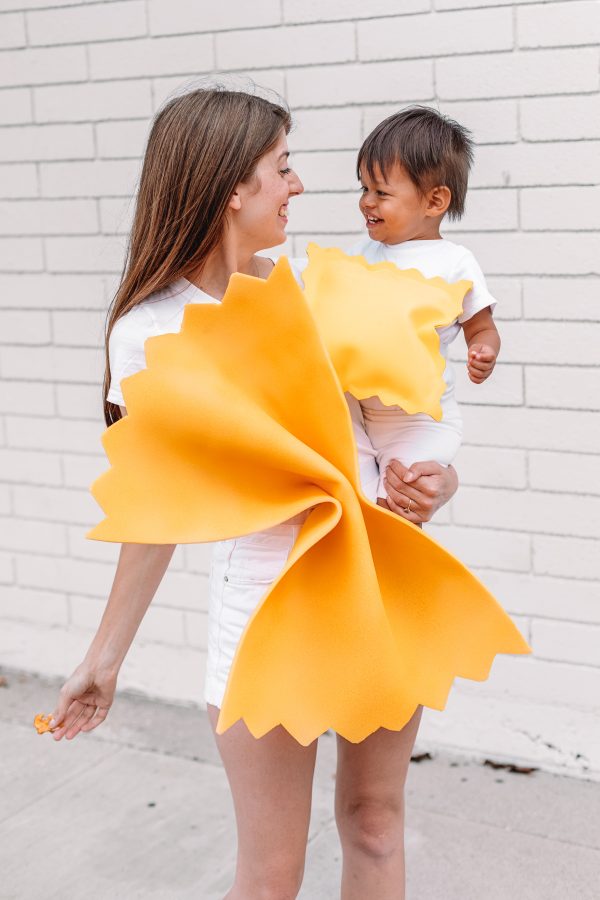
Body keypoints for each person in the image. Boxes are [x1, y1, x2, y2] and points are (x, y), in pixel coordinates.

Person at [48, 87, 460, 900]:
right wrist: (103, 659)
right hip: (268, 615)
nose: (298, 187)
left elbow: (392, 421)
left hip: (383, 591)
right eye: (283, 167)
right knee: (272, 874)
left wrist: (436, 480)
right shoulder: (151, 333)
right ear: (232, 185)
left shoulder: (314, 284)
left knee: (376, 824)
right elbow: (160, 507)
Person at [350, 106, 501, 508]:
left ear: (434, 201)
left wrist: (482, 352)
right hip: (364, 417)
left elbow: (481, 327)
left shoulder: (454, 262)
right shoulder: (362, 255)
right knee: (358, 511)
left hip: (417, 424)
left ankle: (403, 567)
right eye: (363, 189)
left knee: (399, 507)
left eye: (381, 192)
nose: (367, 202)